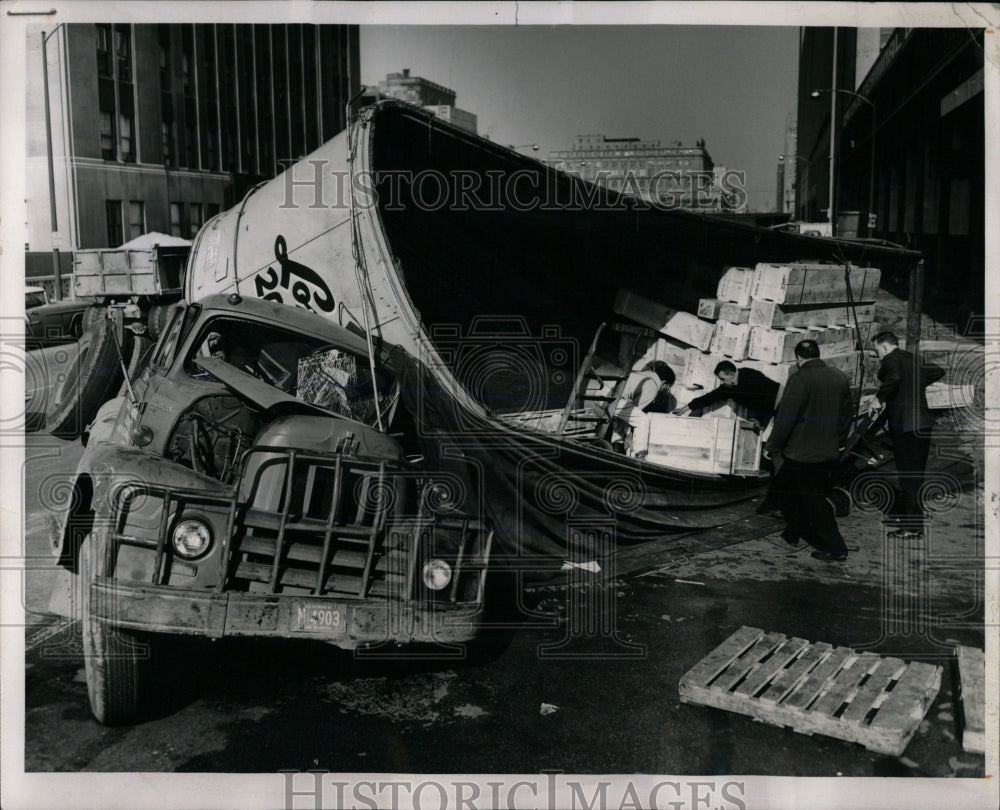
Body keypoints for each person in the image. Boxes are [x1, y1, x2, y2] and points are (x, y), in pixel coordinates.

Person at [764, 340, 853, 562]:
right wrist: (839, 442)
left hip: (801, 453)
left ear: (798, 358)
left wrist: (772, 445)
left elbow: (786, 418)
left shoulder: (799, 379)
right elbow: (846, 416)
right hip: (829, 451)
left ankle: (836, 547)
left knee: (813, 499)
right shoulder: (839, 377)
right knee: (796, 491)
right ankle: (793, 533)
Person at [868, 331, 946, 529]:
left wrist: (879, 398)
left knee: (907, 475)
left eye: (877, 351)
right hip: (923, 424)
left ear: (885, 346)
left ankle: (911, 526)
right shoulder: (914, 358)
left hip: (905, 426)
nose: (878, 355)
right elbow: (938, 371)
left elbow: (893, 377)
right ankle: (915, 519)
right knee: (916, 474)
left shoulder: (890, 359)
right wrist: (913, 385)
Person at [673, 360, 779, 428]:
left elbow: (766, 399)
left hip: (781, 400)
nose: (722, 382)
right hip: (771, 407)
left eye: (723, 379)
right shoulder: (730, 386)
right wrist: (687, 407)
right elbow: (711, 397)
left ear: (732, 374)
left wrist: (759, 420)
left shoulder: (750, 376)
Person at [611, 360, 676, 459]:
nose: (664, 389)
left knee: (626, 412)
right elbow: (636, 411)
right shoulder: (653, 385)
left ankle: (617, 446)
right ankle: (640, 454)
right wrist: (629, 438)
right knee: (642, 419)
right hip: (612, 399)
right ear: (664, 382)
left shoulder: (644, 374)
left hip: (607, 396)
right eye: (667, 386)